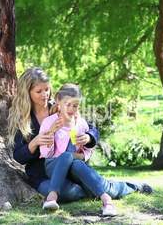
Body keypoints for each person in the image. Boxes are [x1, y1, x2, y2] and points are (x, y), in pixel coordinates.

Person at [7, 67, 152, 216]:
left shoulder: (63, 105)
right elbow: (19, 156)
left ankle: (132, 186)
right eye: (39, 91)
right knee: (69, 193)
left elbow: (90, 128)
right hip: (43, 174)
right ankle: (94, 186)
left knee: (102, 186)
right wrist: (34, 142)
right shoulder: (23, 119)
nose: (45, 95)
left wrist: (88, 137)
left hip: (73, 167)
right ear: (27, 93)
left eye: (47, 89)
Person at [39, 83, 118, 215]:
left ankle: (107, 201)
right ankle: (52, 196)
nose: (71, 109)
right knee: (66, 156)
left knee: (74, 162)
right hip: (53, 165)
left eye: (75, 105)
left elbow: (87, 151)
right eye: (67, 104)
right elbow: (46, 153)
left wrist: (83, 149)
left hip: (74, 166)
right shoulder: (49, 122)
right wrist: (51, 132)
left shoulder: (80, 124)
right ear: (58, 101)